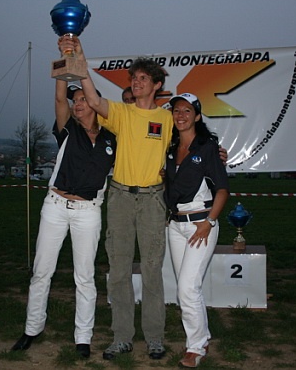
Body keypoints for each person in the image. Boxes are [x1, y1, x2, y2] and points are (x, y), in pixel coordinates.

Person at [60, 35, 172, 360]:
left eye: (142, 79)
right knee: (119, 270)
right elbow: (94, 100)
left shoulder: (167, 119)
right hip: (121, 197)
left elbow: (189, 145)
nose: (136, 82)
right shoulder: (122, 113)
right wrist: (79, 56)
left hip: (152, 201)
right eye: (133, 78)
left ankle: (154, 338)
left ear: (156, 85)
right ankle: (122, 337)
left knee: (152, 270)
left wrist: (216, 154)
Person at [11, 77, 116, 359]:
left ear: (95, 103)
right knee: (41, 271)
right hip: (55, 207)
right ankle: (32, 329)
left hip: (88, 212)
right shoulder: (68, 128)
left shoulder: (111, 138)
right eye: (75, 100)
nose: (77, 104)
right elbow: (59, 99)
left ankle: (83, 337)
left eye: (83, 99)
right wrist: (63, 67)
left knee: (85, 277)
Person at [164, 93, 229, 368]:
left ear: (197, 116)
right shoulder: (170, 147)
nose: (181, 115)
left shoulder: (208, 147)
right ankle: (201, 337)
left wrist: (209, 222)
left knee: (187, 289)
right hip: (175, 225)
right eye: (177, 110)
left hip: (200, 224)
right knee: (188, 288)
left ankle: (196, 347)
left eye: (187, 111)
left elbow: (222, 190)